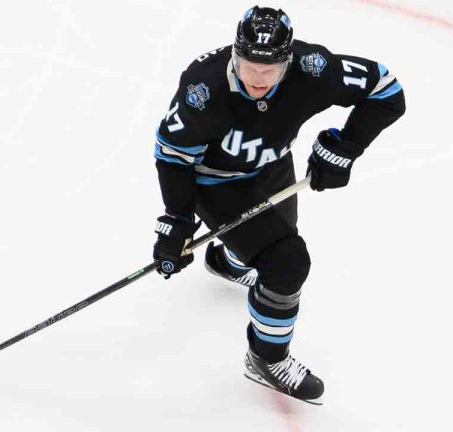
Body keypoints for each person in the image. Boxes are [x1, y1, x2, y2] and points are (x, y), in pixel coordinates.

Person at [152, 6, 405, 404]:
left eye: (269, 69)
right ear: (235, 53)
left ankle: (229, 262)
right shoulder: (203, 90)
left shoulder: (314, 69)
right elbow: (172, 156)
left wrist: (345, 147)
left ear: (288, 62)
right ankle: (266, 358)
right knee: (287, 264)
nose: (257, 78)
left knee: (273, 241)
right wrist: (177, 219)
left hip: (272, 167)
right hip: (214, 184)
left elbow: (386, 91)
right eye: (248, 64)